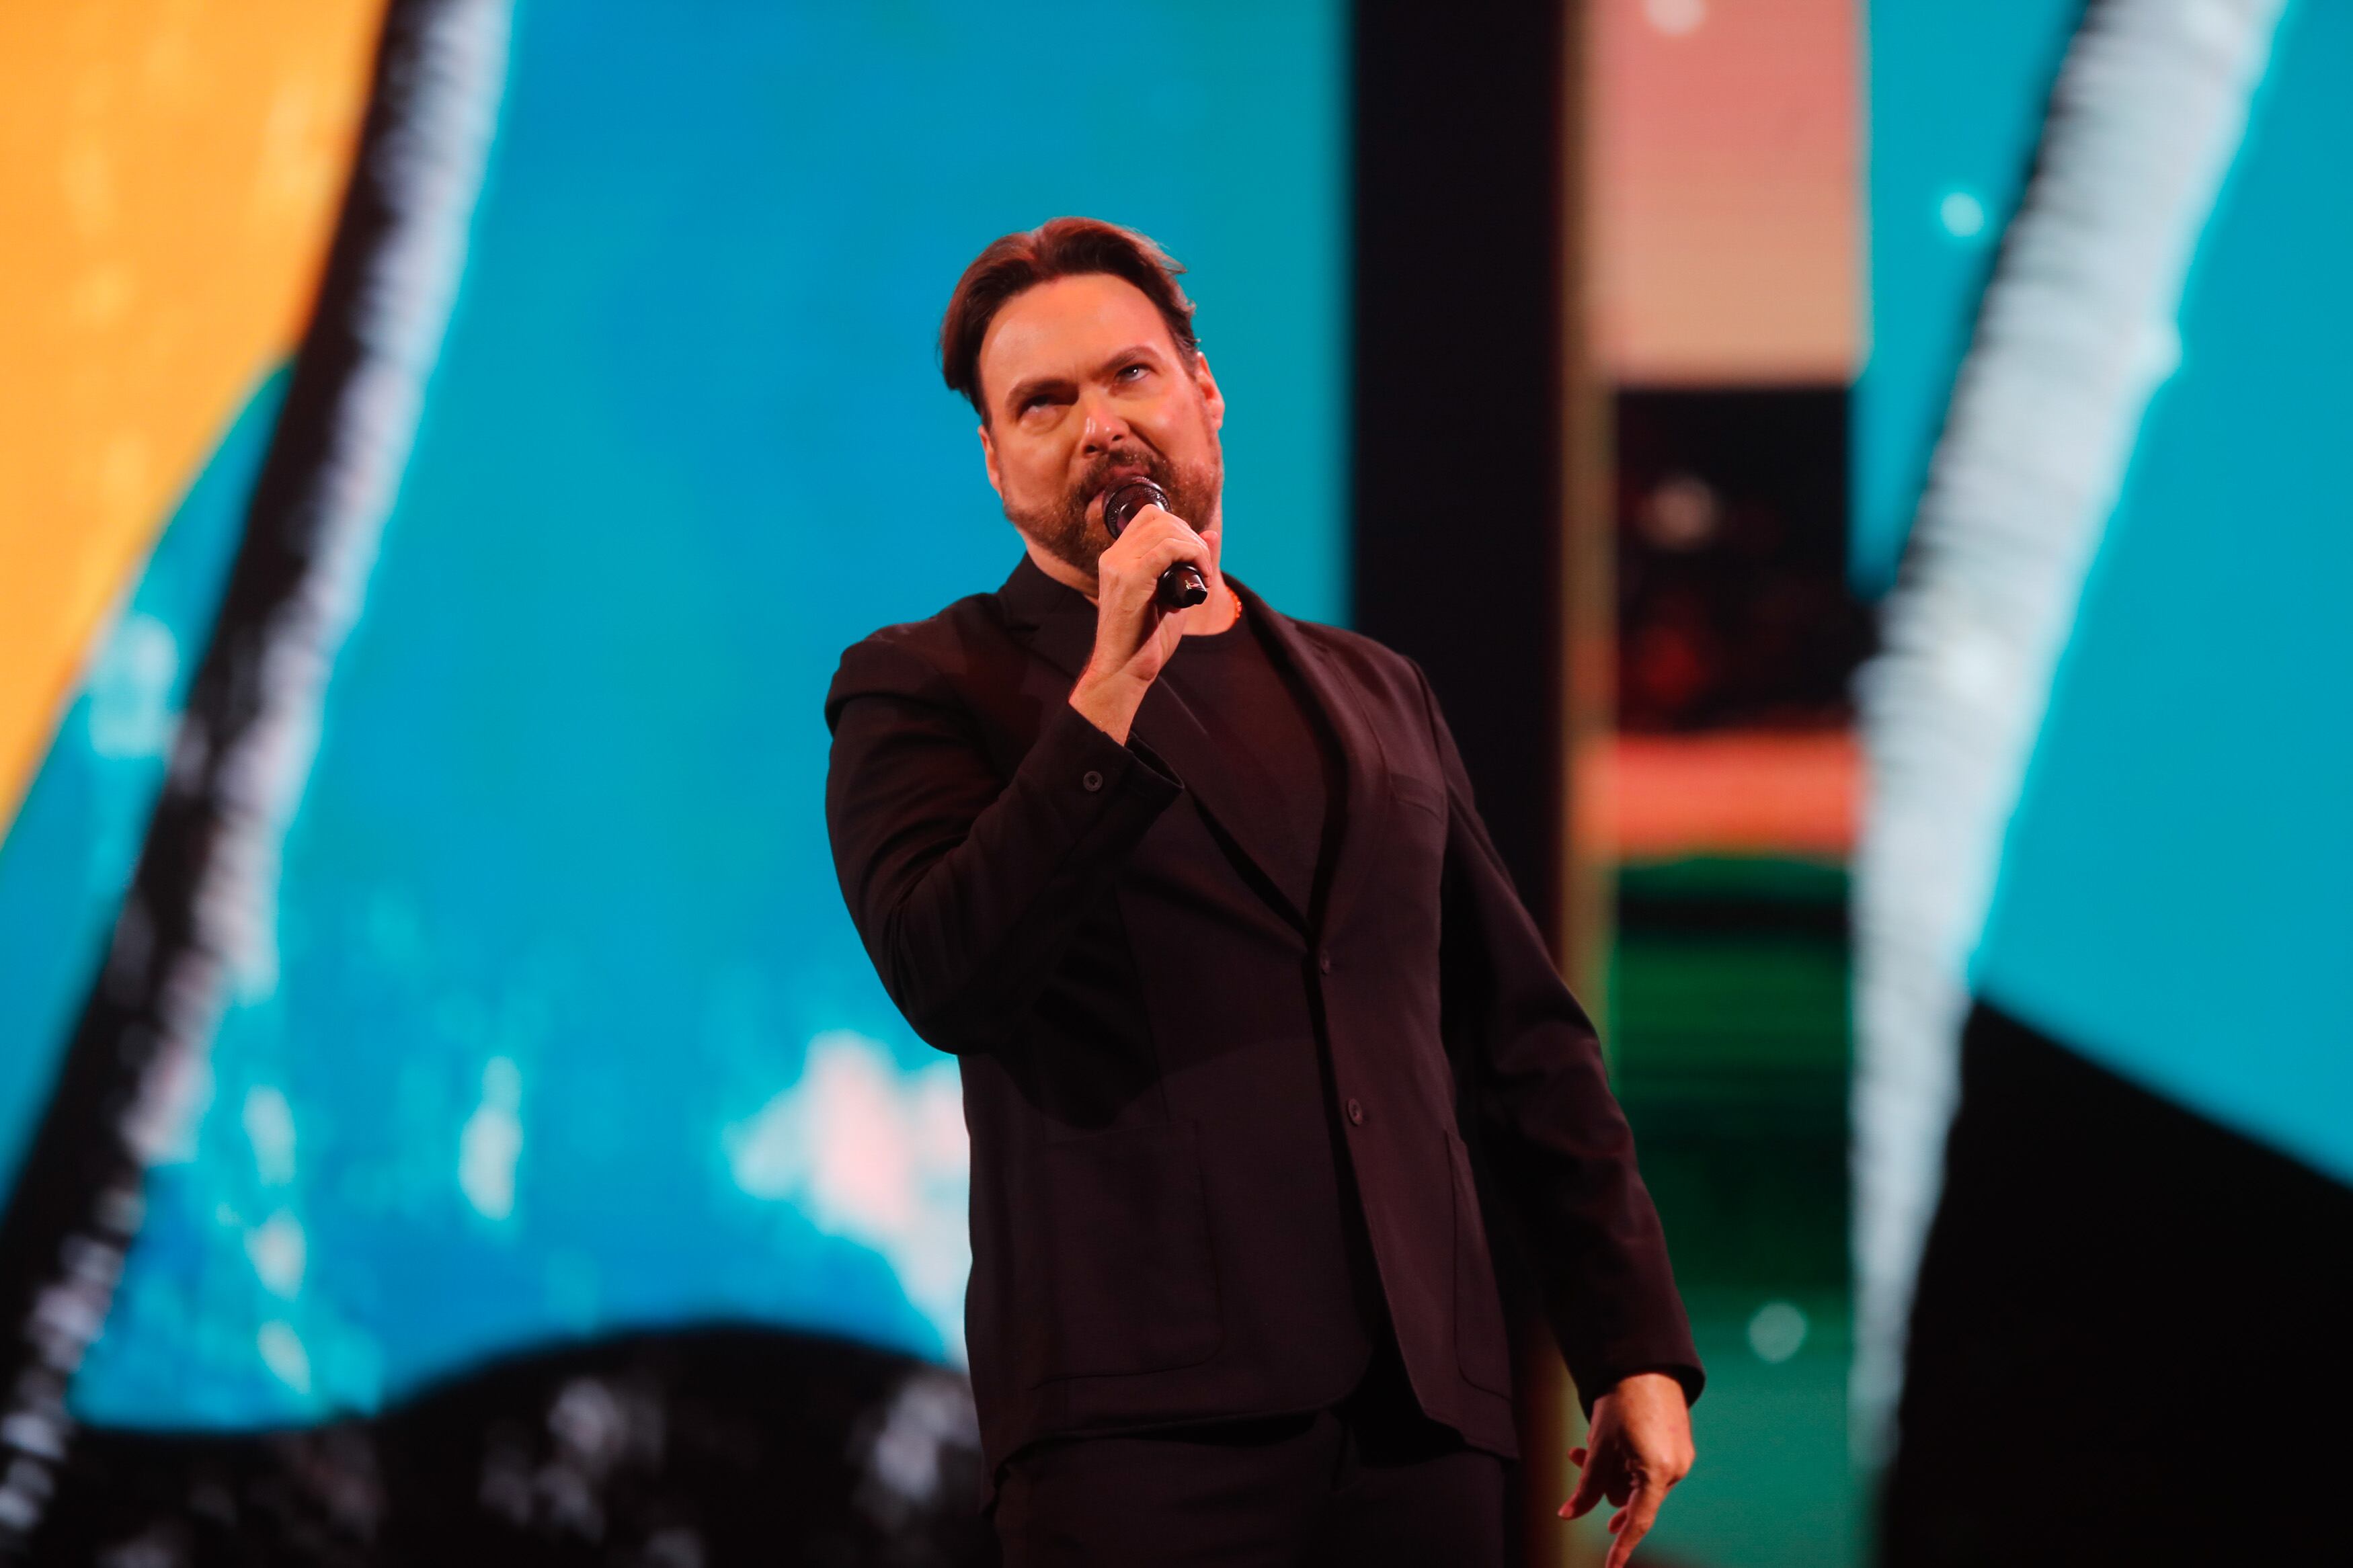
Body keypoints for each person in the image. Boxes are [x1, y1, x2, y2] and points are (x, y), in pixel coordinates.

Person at [824, 218, 1700, 1567]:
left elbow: (1519, 1037)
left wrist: (1628, 1338)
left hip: (1423, 1418)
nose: (1099, 424)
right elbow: (950, 973)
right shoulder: (927, 684)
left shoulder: (1376, 691)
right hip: (1138, 1436)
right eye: (1043, 404)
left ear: (1204, 390)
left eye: (1129, 374)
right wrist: (1112, 682)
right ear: (995, 461)